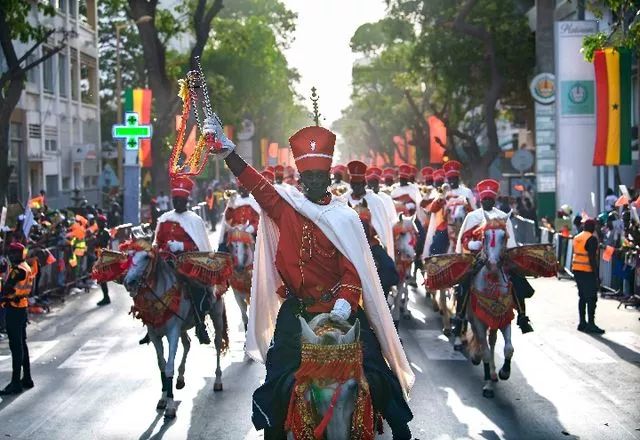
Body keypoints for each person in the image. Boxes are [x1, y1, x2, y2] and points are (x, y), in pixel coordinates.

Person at [206, 118, 414, 439]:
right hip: (298, 310)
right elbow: (257, 186)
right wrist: (229, 153)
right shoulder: (286, 208)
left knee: (376, 369)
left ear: (329, 177)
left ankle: (402, 430)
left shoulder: (345, 217)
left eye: (320, 176)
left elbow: (353, 270)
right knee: (278, 375)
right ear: (301, 179)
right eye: (309, 177)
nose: (314, 182)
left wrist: (345, 304)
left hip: (341, 311)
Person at [454, 179, 535, 338]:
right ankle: (459, 317)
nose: (487, 202)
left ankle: (522, 316)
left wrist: (509, 253)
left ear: (494, 200)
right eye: (485, 199)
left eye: (490, 199)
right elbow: (464, 238)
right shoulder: (473, 216)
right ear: (480, 200)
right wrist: (471, 244)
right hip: (478, 258)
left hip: (501, 258)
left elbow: (510, 241)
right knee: (464, 281)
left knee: (517, 279)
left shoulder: (503, 216)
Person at [153, 176, 213, 345]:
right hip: (166, 262)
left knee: (196, 288)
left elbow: (199, 245)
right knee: (148, 284)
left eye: (180, 200)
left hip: (188, 263)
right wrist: (162, 248)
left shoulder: (194, 220)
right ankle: (152, 324)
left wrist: (181, 245)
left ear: (186, 201)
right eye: (175, 200)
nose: (177, 203)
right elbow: (157, 242)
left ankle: (200, 324)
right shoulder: (164, 219)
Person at [0, 242, 35, 395]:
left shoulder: (17, 270)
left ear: (17, 254)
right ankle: (27, 378)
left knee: (16, 346)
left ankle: (15, 383)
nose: (10, 256)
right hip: (22, 308)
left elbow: (7, 289)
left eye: (12, 253)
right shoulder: (25, 266)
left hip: (14, 309)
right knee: (22, 344)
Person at [343, 160, 394, 256]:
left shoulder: (376, 201)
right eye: (354, 184)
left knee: (387, 264)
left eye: (358, 184)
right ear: (350, 184)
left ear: (364, 184)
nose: (356, 187)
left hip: (371, 245)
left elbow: (382, 229)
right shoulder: (343, 200)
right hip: (347, 245)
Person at [572, 219, 605, 334]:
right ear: (592, 227)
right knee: (591, 298)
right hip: (587, 271)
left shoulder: (577, 237)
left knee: (582, 297)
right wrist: (596, 276)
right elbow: (592, 258)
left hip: (577, 269)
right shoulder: (591, 239)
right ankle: (591, 324)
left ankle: (582, 323)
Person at [95, 214, 112, 306]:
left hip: (104, 257)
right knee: (101, 278)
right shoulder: (100, 232)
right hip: (100, 256)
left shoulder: (105, 232)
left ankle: (106, 297)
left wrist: (95, 241)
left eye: (99, 222)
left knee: (102, 278)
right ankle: (106, 296)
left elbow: (102, 243)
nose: (98, 224)